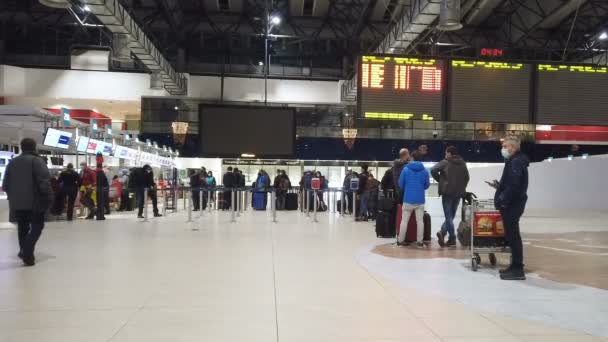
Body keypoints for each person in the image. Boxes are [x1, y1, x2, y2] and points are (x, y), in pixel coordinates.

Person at [2, 138, 52, 266]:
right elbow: (44, 182)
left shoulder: (12, 163)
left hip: (17, 203)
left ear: (22, 147)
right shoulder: (37, 161)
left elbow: (5, 185)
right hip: (35, 202)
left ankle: (26, 254)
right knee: (37, 227)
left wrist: (13, 197)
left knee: (22, 228)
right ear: (34, 147)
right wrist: (48, 197)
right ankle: (27, 251)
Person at [493, 137, 529, 281]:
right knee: (512, 235)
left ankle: (518, 268)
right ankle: (514, 266)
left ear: (513, 148)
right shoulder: (514, 161)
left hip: (512, 205)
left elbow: (514, 186)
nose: (503, 148)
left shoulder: (516, 162)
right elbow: (511, 183)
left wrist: (503, 200)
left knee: (513, 236)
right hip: (513, 203)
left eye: (505, 146)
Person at [431, 146, 470, 248]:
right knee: (451, 216)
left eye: (446, 153)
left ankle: (452, 238)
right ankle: (443, 232)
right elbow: (467, 177)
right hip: (458, 193)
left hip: (447, 193)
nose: (445, 155)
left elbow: (433, 170)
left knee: (449, 216)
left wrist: (441, 180)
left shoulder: (445, 162)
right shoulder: (462, 163)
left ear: (449, 153)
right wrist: (462, 187)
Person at [397, 151, 430, 248]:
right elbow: (427, 185)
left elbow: (400, 184)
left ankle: (401, 241)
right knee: (420, 221)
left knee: (404, 221)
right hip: (420, 200)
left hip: (407, 199)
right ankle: (420, 242)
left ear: (412, 158)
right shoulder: (424, 171)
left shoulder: (405, 169)